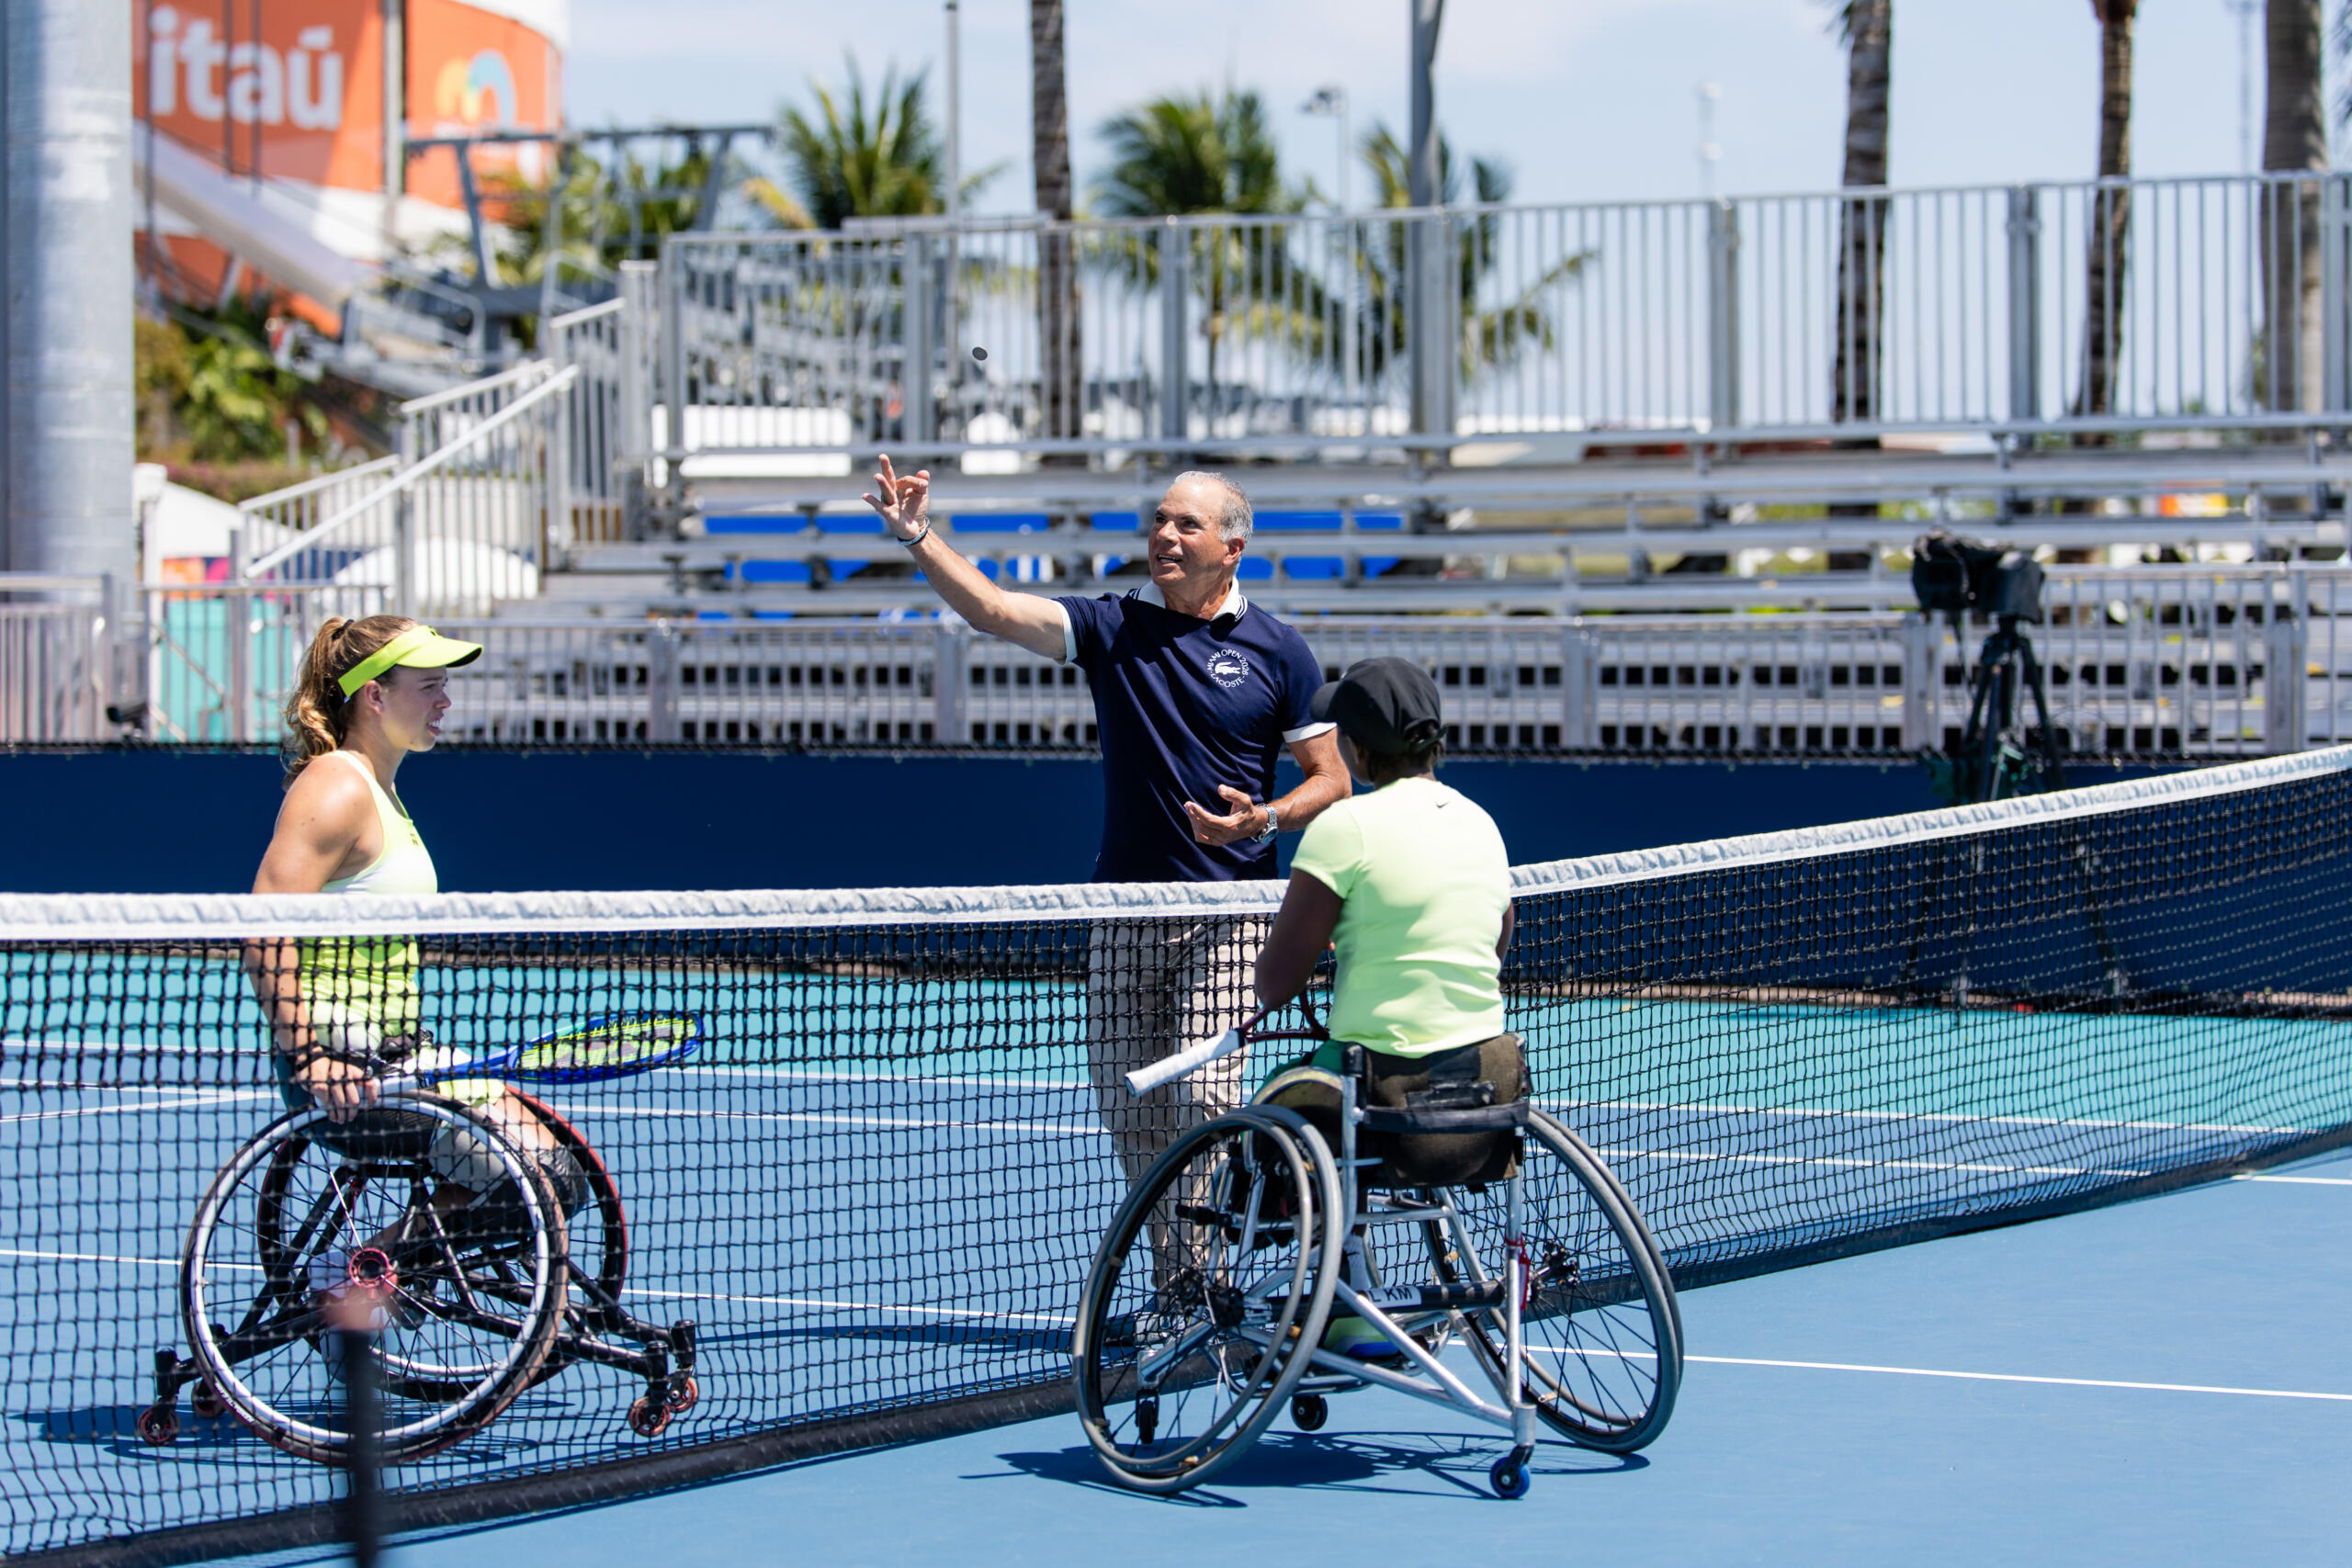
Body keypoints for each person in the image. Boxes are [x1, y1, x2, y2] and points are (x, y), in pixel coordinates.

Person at [861, 457, 1352, 1185]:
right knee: (1134, 1119)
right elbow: (994, 608)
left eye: (1189, 523)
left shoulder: (1281, 651)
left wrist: (1265, 819)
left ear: (1231, 550)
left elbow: (1334, 780)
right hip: (1123, 911)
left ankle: (1210, 1279)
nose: (1167, 534)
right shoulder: (1109, 625)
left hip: (1231, 912)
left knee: (1200, 1094)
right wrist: (917, 535)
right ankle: (1180, 1286)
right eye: (1160, 519)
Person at [244, 615, 586, 1274]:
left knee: (557, 1176)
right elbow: (264, 930)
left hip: (400, 1060)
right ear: (374, 695)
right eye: (428, 686)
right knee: (542, 1179)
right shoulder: (336, 786)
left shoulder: (384, 792)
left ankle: (388, 1268)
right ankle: (359, 1278)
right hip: (347, 1075)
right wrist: (312, 1056)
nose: (445, 701)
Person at [1251, 657, 1517, 1355]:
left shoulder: (1344, 828)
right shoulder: (1483, 823)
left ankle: (1339, 1287)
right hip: (1489, 1093)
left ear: (1360, 751)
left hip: (1385, 1101)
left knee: (1277, 1104)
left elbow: (1275, 983)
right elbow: (1495, 941)